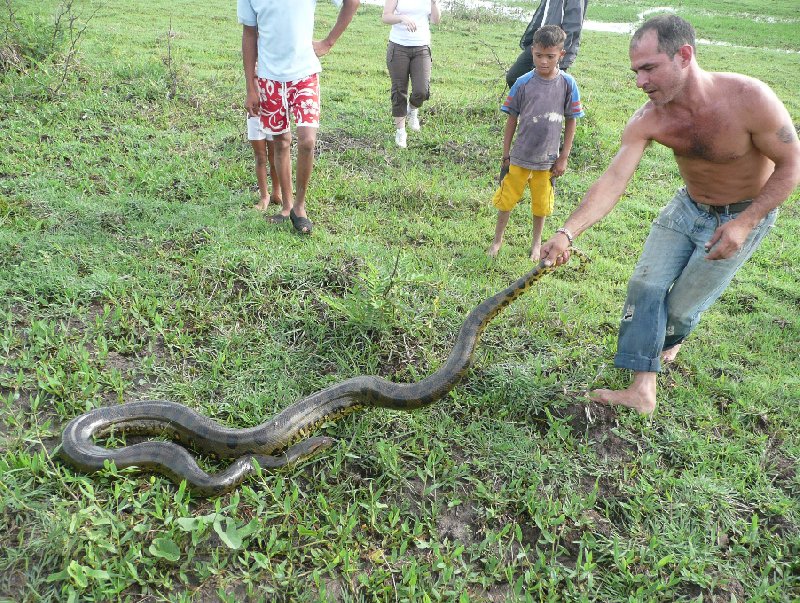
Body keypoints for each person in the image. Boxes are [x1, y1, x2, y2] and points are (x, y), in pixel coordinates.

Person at [540, 14, 800, 414]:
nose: (640, 81)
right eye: (636, 71)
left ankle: (671, 338)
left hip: (744, 213)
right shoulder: (650, 118)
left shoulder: (749, 98)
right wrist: (567, 232)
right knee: (645, 288)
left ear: (684, 55)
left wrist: (745, 223)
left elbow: (791, 164)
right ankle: (642, 389)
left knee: (679, 308)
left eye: (649, 68)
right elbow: (613, 180)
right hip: (687, 208)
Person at [239, 0, 360, 234]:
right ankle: (287, 207)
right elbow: (249, 34)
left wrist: (328, 42)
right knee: (281, 142)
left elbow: (351, 2)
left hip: (305, 74)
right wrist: (250, 88)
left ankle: (300, 206)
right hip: (268, 77)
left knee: (307, 141)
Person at [487, 25, 584, 261]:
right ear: (532, 51)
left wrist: (564, 157)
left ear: (561, 55)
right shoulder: (522, 83)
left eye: (550, 56)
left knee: (541, 205)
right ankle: (497, 240)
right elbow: (512, 119)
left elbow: (572, 121)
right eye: (539, 55)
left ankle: (536, 243)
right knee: (506, 199)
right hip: (520, 156)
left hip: (548, 161)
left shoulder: (568, 84)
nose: (543, 61)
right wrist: (505, 153)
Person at [382, 0, 441, 148]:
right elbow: (386, 17)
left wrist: (434, 3)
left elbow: (436, 20)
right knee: (399, 89)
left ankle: (413, 110)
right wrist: (401, 17)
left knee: (422, 90)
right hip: (398, 46)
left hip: (421, 47)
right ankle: (401, 132)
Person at [506, 0, 587, 89]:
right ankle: (528, 101)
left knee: (548, 89)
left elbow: (573, 26)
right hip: (539, 43)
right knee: (514, 77)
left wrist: (559, 55)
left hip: (554, 49)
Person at [247, 84, 282, 210]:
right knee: (260, 157)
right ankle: (264, 196)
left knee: (275, 157)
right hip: (255, 112)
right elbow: (251, 80)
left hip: (275, 109)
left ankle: (276, 192)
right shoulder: (252, 66)